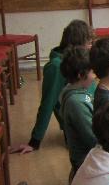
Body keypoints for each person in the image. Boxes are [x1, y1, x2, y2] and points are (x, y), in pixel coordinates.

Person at [12, 19, 95, 154]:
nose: (91, 47)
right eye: (89, 43)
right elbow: (47, 103)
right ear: (77, 44)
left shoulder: (79, 60)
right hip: (82, 125)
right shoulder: (56, 67)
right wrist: (34, 141)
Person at [58, 47, 97, 178]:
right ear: (81, 75)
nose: (95, 76)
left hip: (88, 159)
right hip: (86, 162)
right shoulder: (76, 102)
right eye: (92, 72)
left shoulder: (76, 93)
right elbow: (92, 138)